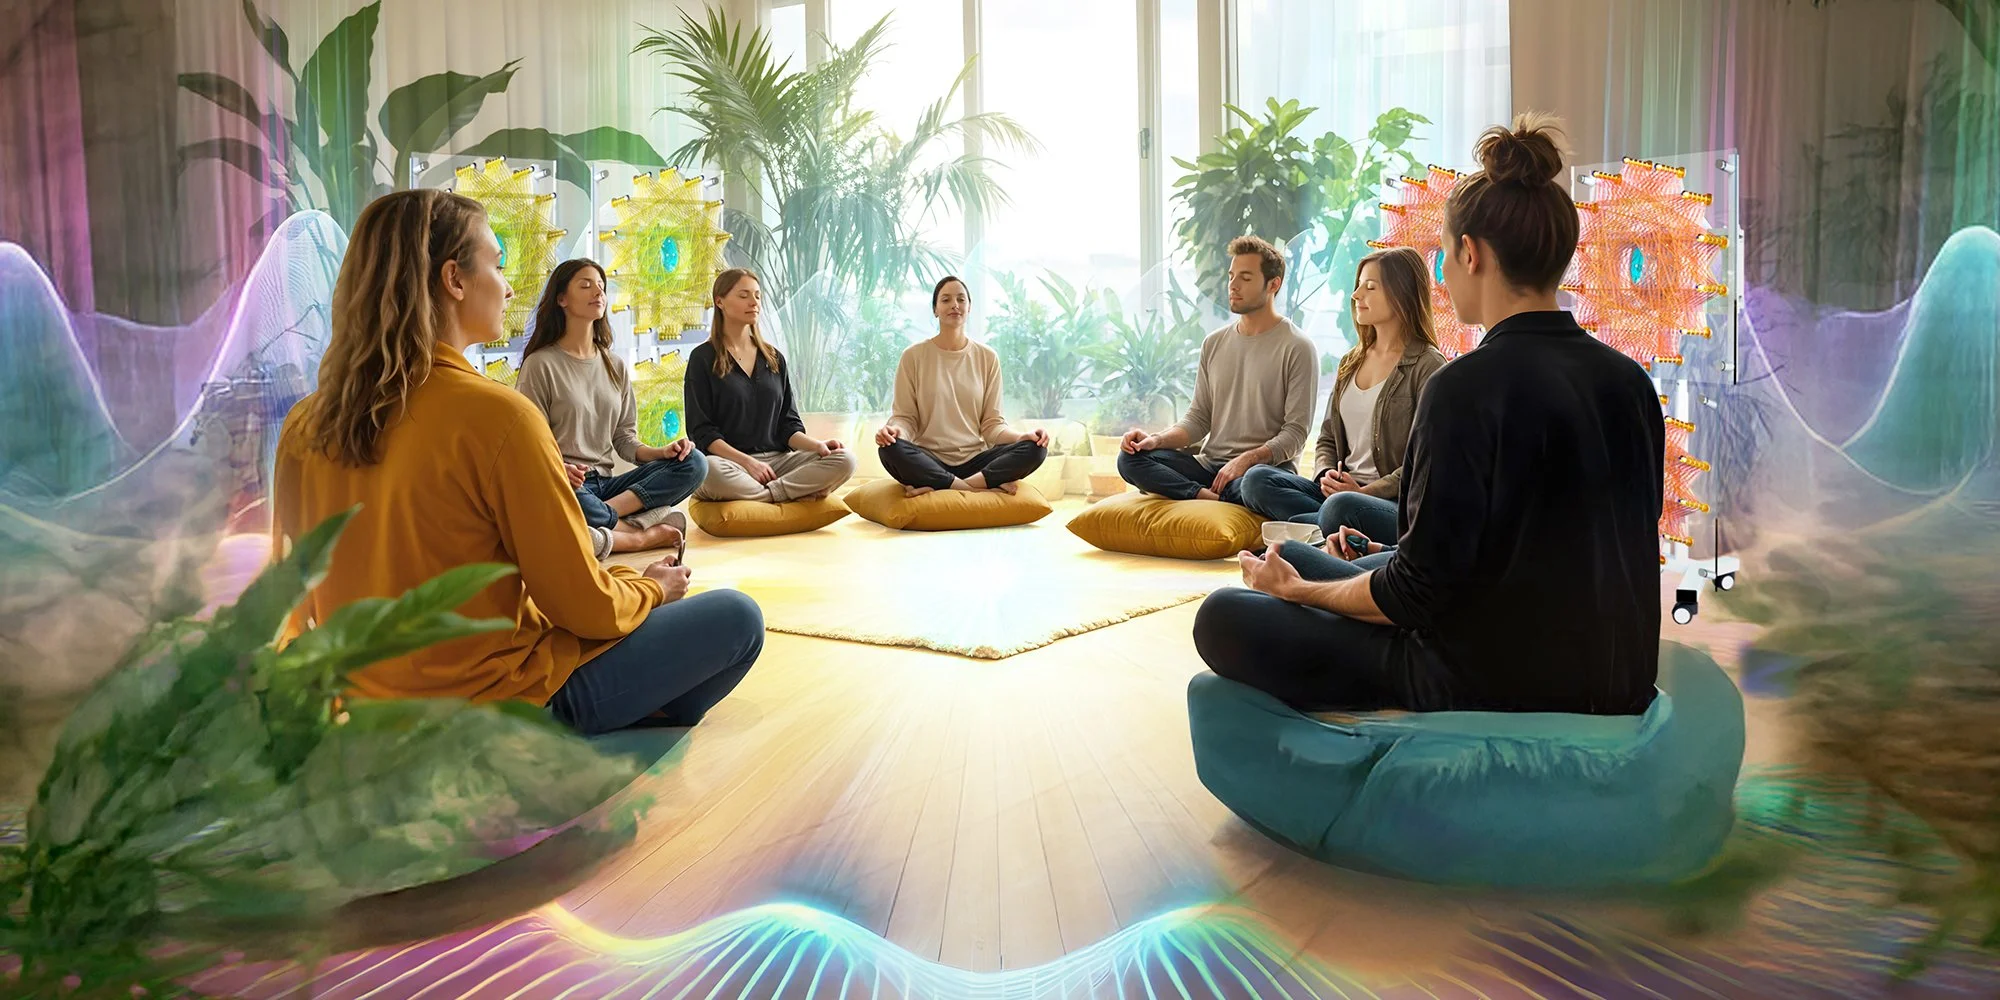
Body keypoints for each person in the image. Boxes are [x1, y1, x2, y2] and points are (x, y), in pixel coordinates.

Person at [1194, 113, 1666, 716]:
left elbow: (1416, 597)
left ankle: (1306, 586)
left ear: (1469, 254)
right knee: (1319, 558)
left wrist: (1299, 591)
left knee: (1225, 615)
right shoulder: (1629, 382)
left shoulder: (1460, 386)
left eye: (1443, 254)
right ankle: (1324, 571)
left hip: (1484, 678)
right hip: (1615, 674)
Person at [271, 189, 765, 735]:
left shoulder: (304, 424)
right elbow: (582, 608)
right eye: (499, 265)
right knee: (738, 620)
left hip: (358, 705)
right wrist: (652, 588)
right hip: (491, 709)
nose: (508, 287)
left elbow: (293, 596)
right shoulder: (499, 413)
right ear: (454, 280)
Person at [1238, 246, 1447, 545]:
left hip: (1393, 503)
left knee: (1341, 507)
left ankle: (1312, 528)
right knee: (1256, 480)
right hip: (1339, 494)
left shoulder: (1428, 366)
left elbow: (1428, 462)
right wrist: (1326, 474)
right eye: (1358, 285)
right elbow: (1326, 440)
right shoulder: (1352, 360)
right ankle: (1323, 528)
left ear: (1402, 293)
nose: (1356, 294)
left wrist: (1362, 493)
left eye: (1370, 287)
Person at [517, 258, 703, 563]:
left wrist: (662, 452)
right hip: (566, 482)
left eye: (602, 286)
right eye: (586, 285)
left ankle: (608, 523)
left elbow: (624, 440)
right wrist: (558, 468)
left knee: (694, 462)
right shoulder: (540, 365)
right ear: (561, 299)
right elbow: (528, 441)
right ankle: (639, 534)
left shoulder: (614, 365)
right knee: (551, 493)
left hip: (605, 484)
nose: (598, 292)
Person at [1116, 235, 1317, 505]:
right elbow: (1198, 419)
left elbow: (1295, 434)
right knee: (1130, 460)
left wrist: (1246, 460)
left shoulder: (1297, 346)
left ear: (1273, 284)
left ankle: (1201, 492)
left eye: (1245, 278)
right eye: (1231, 276)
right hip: (1210, 469)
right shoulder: (1214, 343)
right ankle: (1201, 495)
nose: (1233, 286)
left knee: (1255, 484)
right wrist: (1155, 440)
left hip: (1259, 473)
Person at [685, 268, 856, 503]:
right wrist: (748, 462)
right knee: (707, 470)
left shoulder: (774, 358)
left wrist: (818, 446)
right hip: (731, 464)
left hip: (778, 462)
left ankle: (768, 496)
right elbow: (701, 431)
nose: (753, 302)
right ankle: (790, 494)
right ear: (720, 301)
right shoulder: (702, 358)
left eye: (757, 296)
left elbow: (788, 425)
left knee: (845, 459)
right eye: (744, 295)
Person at [874, 276, 1049, 496]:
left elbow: (992, 425)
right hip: (930, 459)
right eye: (946, 300)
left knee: (1036, 449)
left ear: (969, 307)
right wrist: (895, 432)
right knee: (889, 450)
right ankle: (981, 486)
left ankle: (943, 486)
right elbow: (906, 418)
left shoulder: (987, 357)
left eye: (961, 299)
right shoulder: (913, 356)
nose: (955, 305)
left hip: (976, 461)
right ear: (935, 309)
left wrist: (1021, 437)